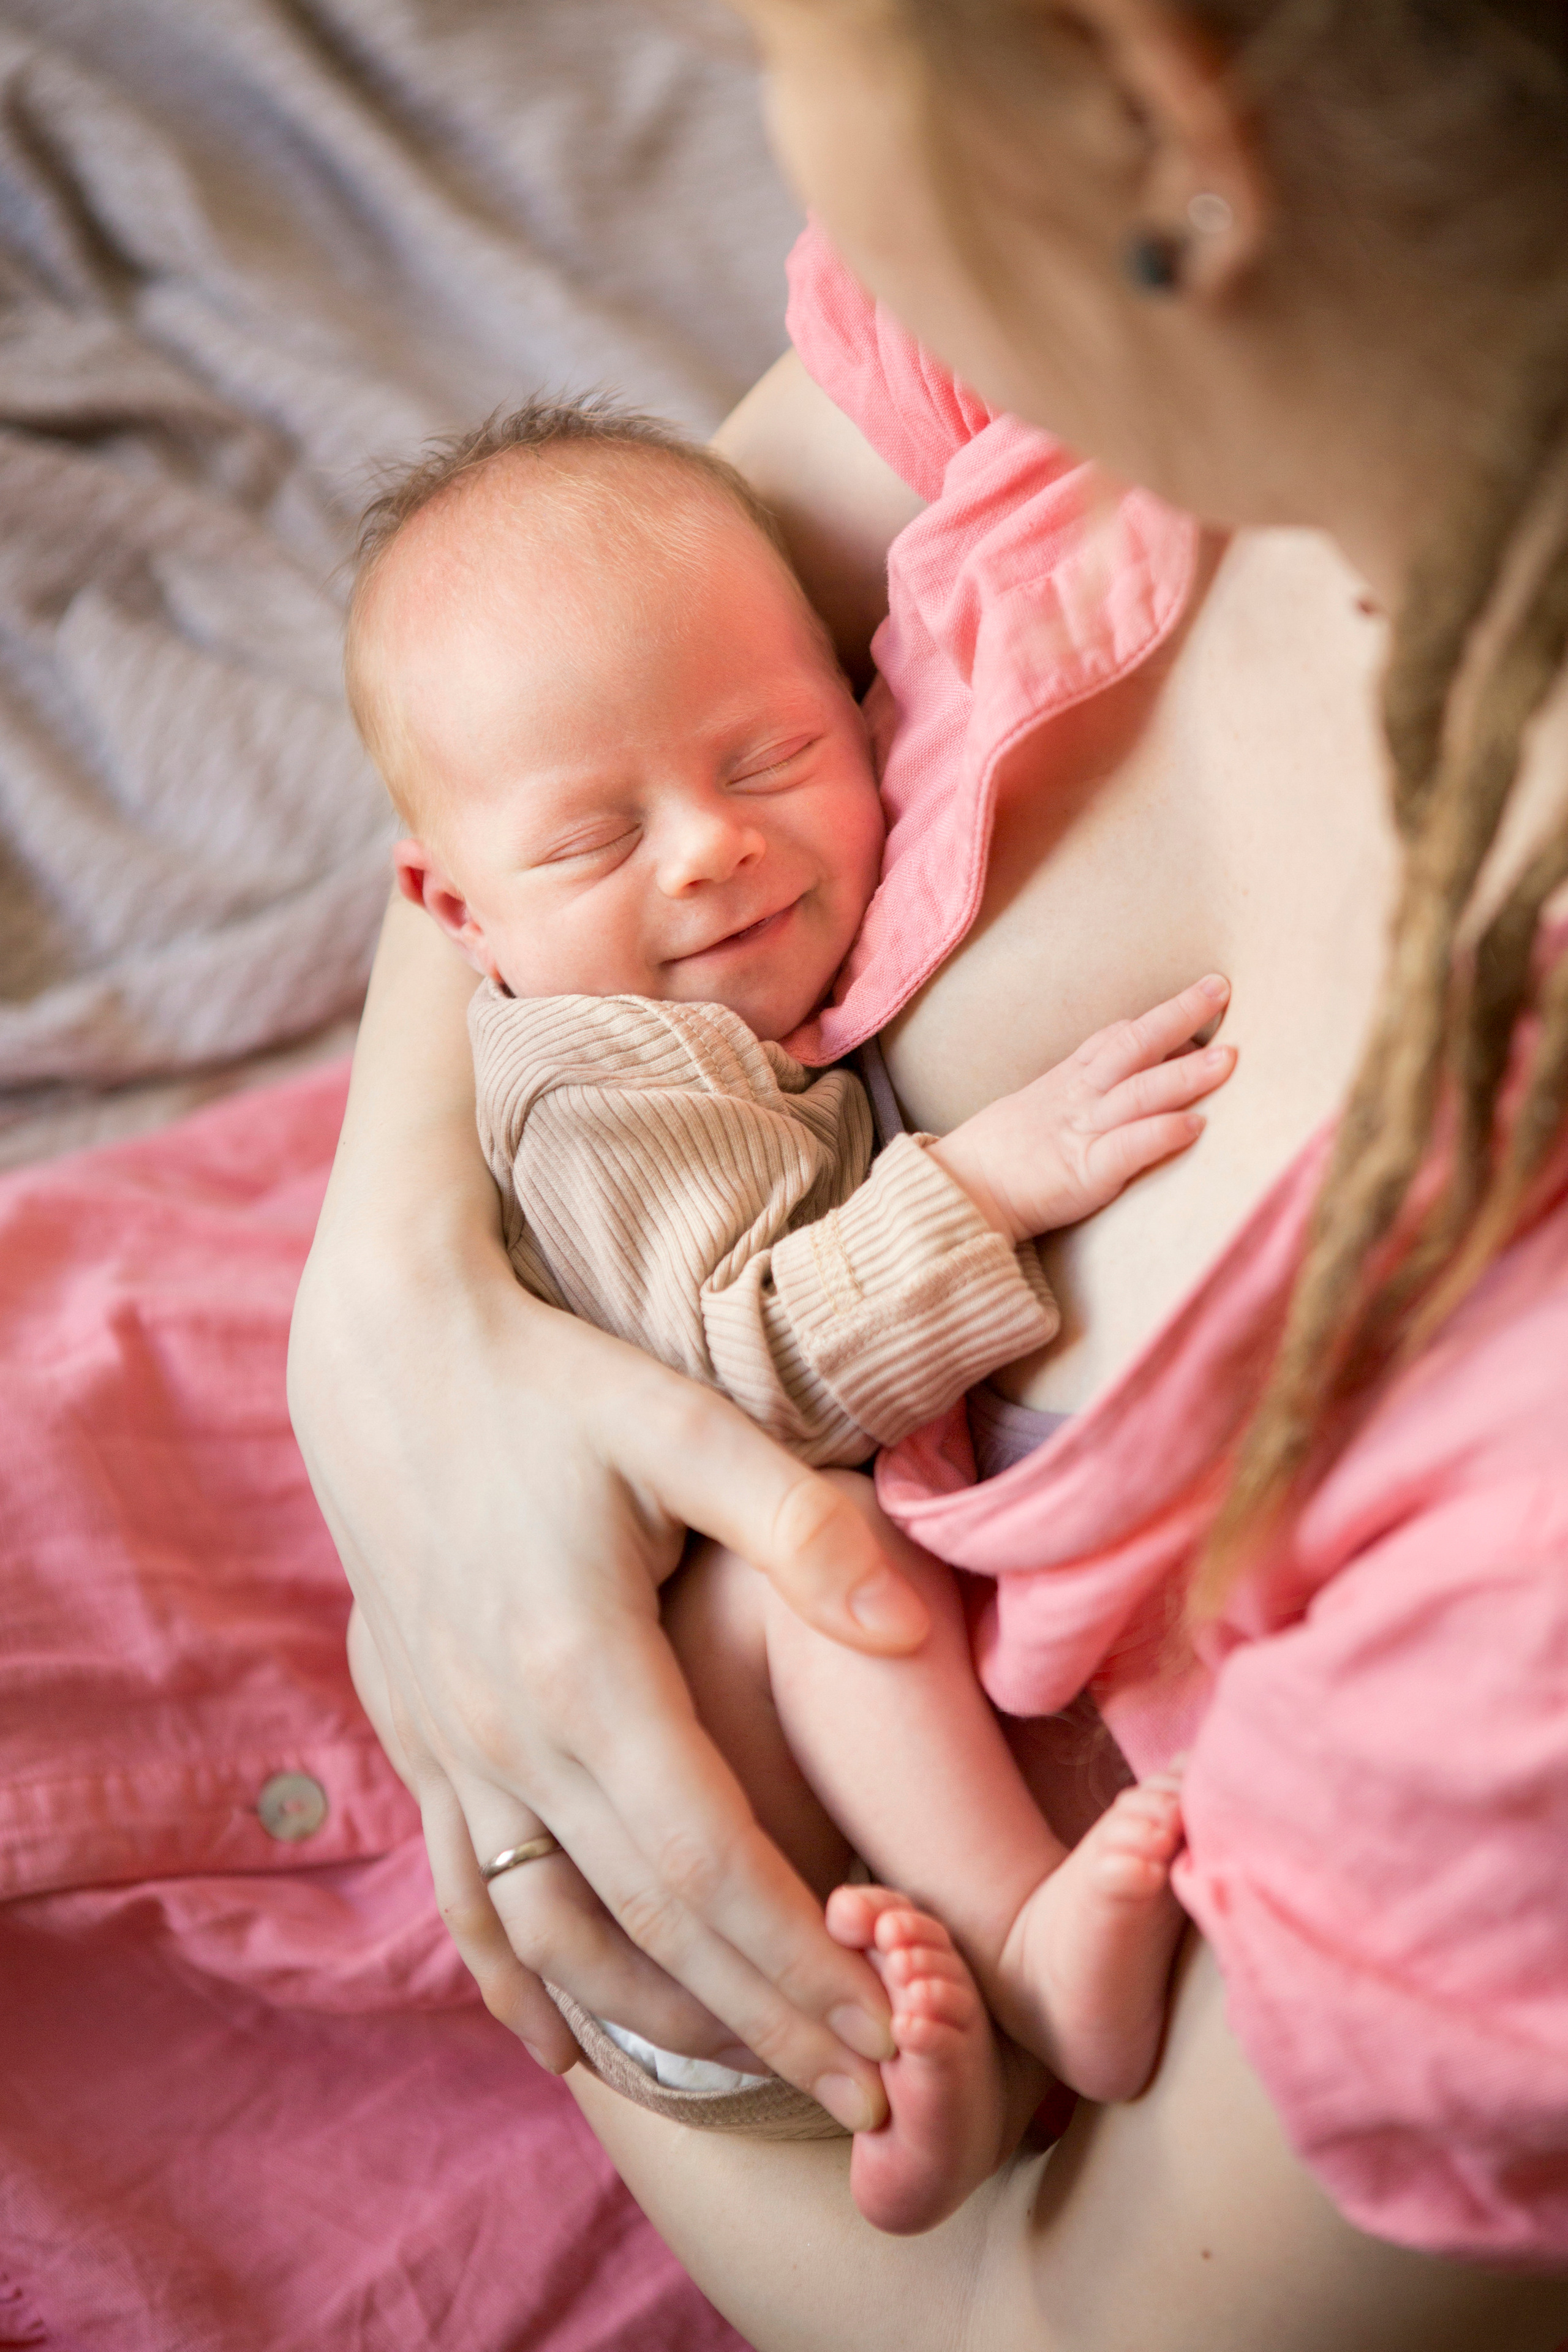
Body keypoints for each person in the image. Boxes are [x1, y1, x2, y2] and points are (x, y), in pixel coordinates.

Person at [288, 1, 1568, 2343]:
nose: (773, 130)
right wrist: (390, 1322)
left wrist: (512, 1748)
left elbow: (1048, 2324)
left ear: (1160, 99)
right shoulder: (1104, 329)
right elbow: (589, 621)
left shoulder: (1528, 1536)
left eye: (774, 39)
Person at [343, 395, 1230, 2228]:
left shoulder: (727, 1015)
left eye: (769, 760)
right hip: (665, 1846)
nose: (708, 853)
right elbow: (749, 1376)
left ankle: (941, 2109)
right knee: (811, 1564)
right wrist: (995, 1177)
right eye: (595, 843)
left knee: (831, 1644)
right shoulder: (605, 1084)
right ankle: (1023, 1936)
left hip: (780, 1878)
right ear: (457, 912)